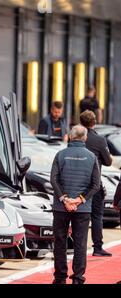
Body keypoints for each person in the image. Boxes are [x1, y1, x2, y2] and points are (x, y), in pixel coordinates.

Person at [50, 124, 100, 284]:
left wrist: (64, 199)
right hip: (82, 209)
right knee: (80, 244)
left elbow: (54, 179)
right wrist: (79, 200)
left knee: (60, 242)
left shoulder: (60, 154)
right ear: (85, 138)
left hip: (60, 207)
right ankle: (78, 278)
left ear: (70, 137)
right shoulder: (92, 157)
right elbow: (95, 185)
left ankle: (60, 278)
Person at [80, 110, 113, 257]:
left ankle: (77, 245)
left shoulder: (76, 138)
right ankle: (97, 247)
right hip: (95, 183)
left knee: (80, 217)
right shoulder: (100, 140)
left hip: (78, 183)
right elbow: (108, 161)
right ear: (94, 122)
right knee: (97, 216)